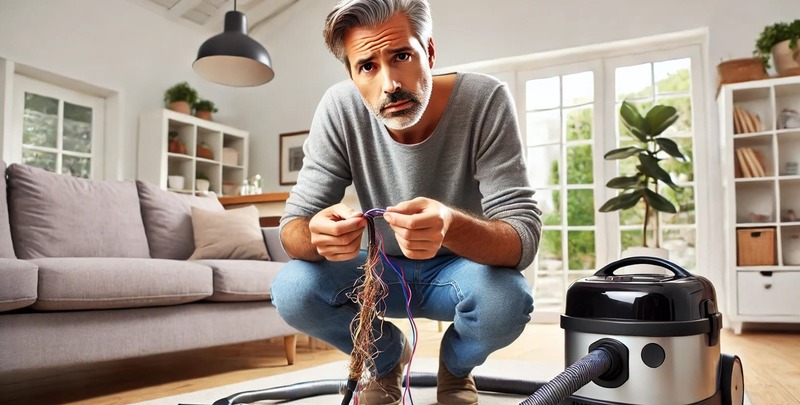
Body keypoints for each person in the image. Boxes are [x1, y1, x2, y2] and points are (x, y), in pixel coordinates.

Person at [271, 0, 541, 403]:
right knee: (292, 290)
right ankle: (385, 358)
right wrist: (315, 234)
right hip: (376, 271)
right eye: (368, 67)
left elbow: (523, 237)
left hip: (460, 272)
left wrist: (451, 224)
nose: (390, 84)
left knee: (507, 301)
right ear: (351, 75)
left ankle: (456, 367)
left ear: (428, 51)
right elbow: (293, 227)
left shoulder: (485, 100)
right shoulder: (339, 107)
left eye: (402, 56)